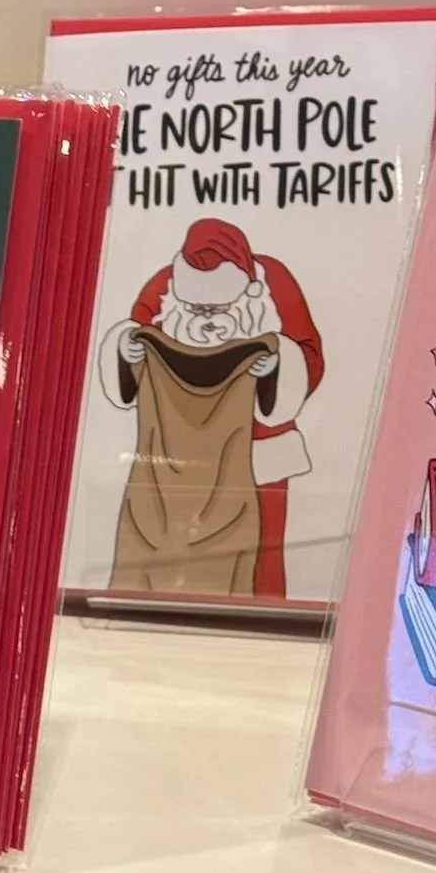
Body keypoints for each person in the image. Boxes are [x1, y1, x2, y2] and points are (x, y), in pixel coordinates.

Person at [99, 218, 324, 600]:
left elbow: (309, 353)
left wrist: (276, 367)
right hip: (174, 463)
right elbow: (134, 341)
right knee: (159, 547)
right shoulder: (164, 287)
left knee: (258, 561)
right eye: (197, 308)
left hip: (260, 456)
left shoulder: (274, 285)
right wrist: (126, 350)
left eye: (217, 307)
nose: (208, 318)